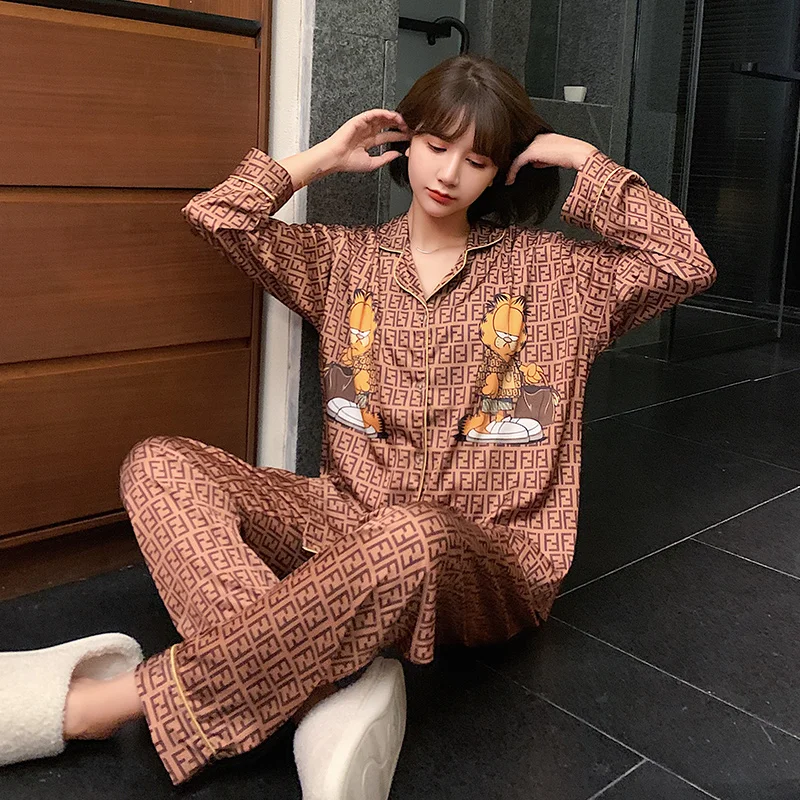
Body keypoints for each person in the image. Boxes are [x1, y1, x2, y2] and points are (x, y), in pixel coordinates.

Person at [0, 54, 716, 798]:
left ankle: (109, 703)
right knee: (158, 463)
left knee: (413, 532)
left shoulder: (560, 275)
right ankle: (329, 687)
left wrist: (586, 161)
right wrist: (320, 159)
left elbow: (683, 262)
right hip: (342, 521)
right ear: (408, 143)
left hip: (483, 561)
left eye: (477, 161)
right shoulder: (342, 261)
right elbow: (217, 216)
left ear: (501, 172)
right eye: (436, 146)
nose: (448, 174)